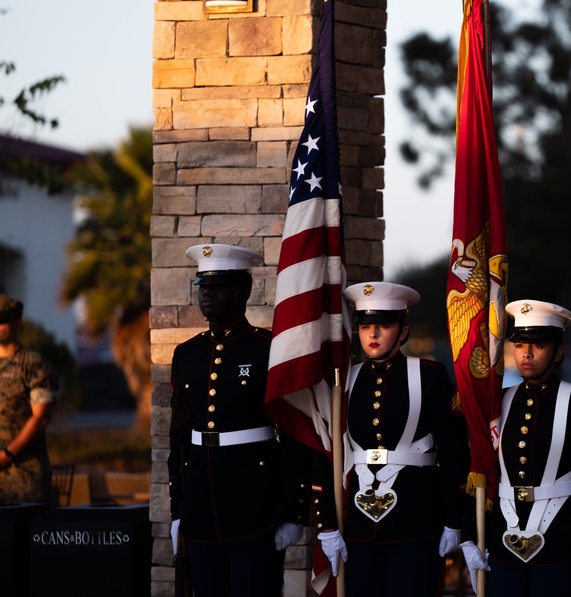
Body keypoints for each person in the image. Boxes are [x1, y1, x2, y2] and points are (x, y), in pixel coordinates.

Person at [168, 243, 311, 596]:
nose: (207, 293)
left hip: (256, 507)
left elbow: (294, 433)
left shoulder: (268, 349)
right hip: (202, 506)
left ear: (242, 291)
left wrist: (294, 512)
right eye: (203, 285)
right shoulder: (186, 354)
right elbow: (179, 437)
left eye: (217, 285)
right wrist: (177, 510)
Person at [314, 281, 470, 597]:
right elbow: (328, 454)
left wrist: (455, 520)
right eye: (365, 326)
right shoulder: (345, 382)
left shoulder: (429, 376)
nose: (372, 335)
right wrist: (327, 523)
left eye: (383, 326)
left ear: (402, 332)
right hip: (358, 527)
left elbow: (454, 454)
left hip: (416, 523)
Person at [461, 299, 571, 596]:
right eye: (519, 345)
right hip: (503, 541)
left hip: (561, 542)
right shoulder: (498, 403)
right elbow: (479, 470)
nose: (526, 353)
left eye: (539, 346)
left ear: (559, 353)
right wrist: (470, 535)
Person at [0, 293, 59, 504]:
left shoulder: (34, 366)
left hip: (23, 481)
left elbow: (41, 417)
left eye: (2, 319)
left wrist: (7, 454)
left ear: (17, 323)